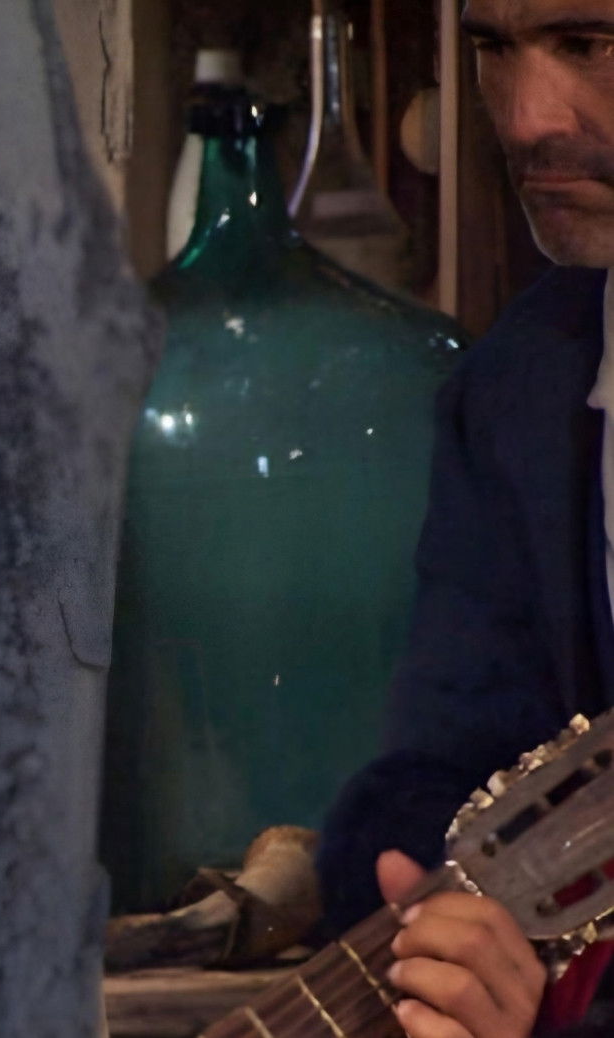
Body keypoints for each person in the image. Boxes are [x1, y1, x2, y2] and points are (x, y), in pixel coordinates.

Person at [316, 0, 614, 1033]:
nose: (528, 119)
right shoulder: (521, 386)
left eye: (589, 46)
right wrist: (436, 924)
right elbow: (432, 780)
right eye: (493, 49)